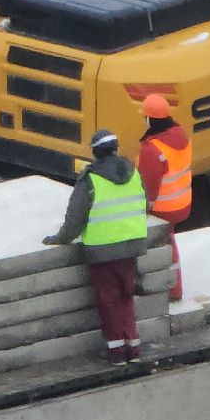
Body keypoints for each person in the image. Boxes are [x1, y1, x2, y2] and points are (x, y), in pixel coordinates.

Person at [45, 129, 150, 364]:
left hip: (103, 250)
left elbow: (75, 218)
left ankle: (116, 352)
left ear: (95, 152)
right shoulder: (133, 172)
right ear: (116, 148)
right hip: (131, 246)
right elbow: (146, 203)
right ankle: (133, 349)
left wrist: (59, 239)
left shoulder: (90, 178)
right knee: (126, 296)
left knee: (109, 299)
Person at [137, 93, 193, 301]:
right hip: (182, 202)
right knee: (169, 245)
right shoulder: (182, 136)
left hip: (163, 209)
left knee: (164, 249)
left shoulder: (153, 149)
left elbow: (147, 186)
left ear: (150, 119)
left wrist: (143, 209)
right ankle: (173, 288)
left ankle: (173, 290)